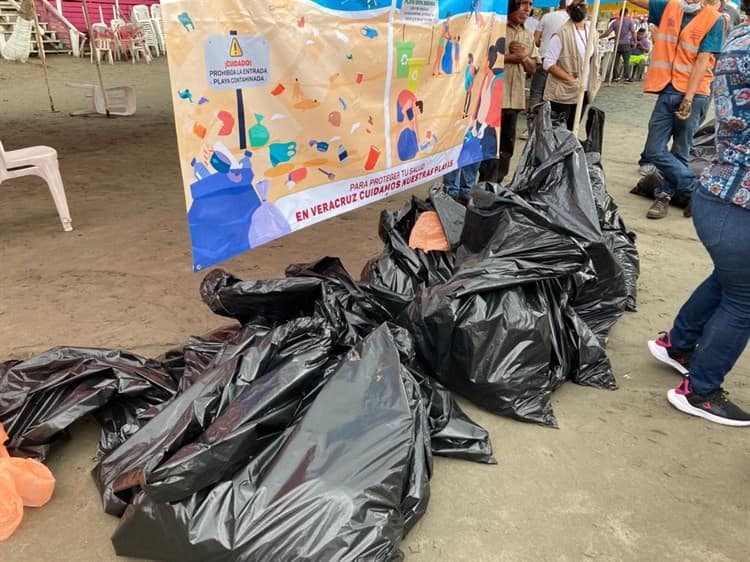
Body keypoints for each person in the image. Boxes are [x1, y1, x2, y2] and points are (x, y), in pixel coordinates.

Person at [648, 12, 750, 426]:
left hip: (721, 192)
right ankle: (700, 390)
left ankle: (680, 344)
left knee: (729, 281)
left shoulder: (740, 33)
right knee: (743, 299)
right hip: (738, 200)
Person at [630, 0, 724, 219]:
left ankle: (663, 198)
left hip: (695, 92)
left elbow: (702, 61)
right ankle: (697, 192)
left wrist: (689, 98)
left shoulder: (714, 18)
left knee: (680, 150)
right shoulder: (670, 6)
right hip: (668, 88)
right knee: (654, 150)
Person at [543, 0, 601, 131]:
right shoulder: (562, 33)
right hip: (563, 92)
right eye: (575, 6)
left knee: (573, 130)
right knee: (558, 133)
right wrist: (570, 79)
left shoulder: (592, 31)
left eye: (582, 5)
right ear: (568, 10)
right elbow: (548, 63)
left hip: (584, 89)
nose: (579, 9)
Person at [530, 0, 570, 113]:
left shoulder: (547, 17)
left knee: (537, 91)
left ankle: (533, 117)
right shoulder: (571, 21)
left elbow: (535, 40)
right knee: (555, 93)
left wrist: (543, 43)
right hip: (562, 62)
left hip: (545, 57)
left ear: (558, 5)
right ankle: (551, 118)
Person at [603, 8, 638, 82]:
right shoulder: (629, 21)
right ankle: (626, 77)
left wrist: (599, 37)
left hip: (617, 44)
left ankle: (615, 76)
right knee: (626, 61)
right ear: (627, 13)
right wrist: (635, 41)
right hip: (626, 43)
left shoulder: (615, 22)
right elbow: (633, 32)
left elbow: (607, 33)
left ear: (620, 13)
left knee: (616, 61)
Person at [462, 52, 477, 117]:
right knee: (467, 99)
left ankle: (465, 113)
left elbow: (471, 78)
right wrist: (469, 87)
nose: (467, 60)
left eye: (468, 58)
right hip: (468, 86)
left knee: (467, 99)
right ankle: (464, 113)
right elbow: (470, 78)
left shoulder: (471, 67)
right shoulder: (469, 67)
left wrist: (469, 87)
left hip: (468, 86)